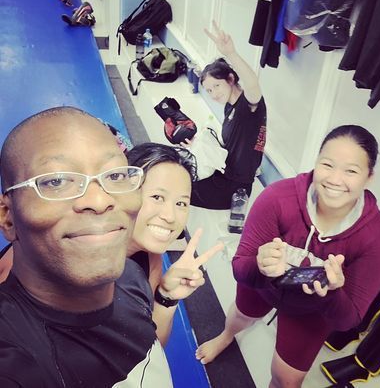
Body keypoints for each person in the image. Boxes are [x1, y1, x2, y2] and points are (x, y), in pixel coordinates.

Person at [0, 107, 219, 387]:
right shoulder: (17, 358)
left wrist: (166, 297)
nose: (100, 200)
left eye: (114, 176)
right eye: (55, 181)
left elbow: (146, 344)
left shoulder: (133, 273)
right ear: (8, 215)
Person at [196, 125, 380, 388]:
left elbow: (347, 320)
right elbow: (240, 269)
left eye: (351, 171)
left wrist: (334, 292)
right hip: (262, 287)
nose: (335, 179)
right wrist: (259, 263)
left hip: (312, 311)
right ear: (316, 162)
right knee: (241, 315)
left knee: (286, 380)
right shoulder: (278, 198)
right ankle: (226, 336)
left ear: (369, 177)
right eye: (328, 164)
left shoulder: (378, 240)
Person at [126, 142, 205, 344]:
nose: (170, 217)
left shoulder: (150, 258)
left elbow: (154, 346)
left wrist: (166, 297)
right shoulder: (79, 261)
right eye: (157, 197)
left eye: (181, 203)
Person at [187, 21, 267, 210]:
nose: (213, 94)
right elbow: (230, 147)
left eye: (216, 86)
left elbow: (253, 84)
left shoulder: (249, 106)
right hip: (223, 175)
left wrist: (231, 53)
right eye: (208, 90)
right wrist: (200, 145)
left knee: (177, 188)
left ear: (230, 79)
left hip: (235, 189)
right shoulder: (229, 107)